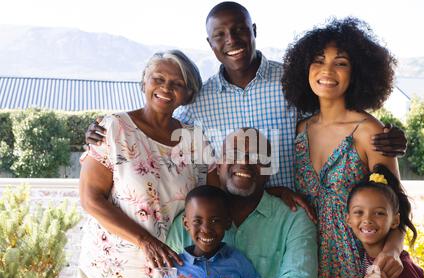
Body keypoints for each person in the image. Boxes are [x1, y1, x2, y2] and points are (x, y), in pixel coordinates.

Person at [84, 2, 407, 220]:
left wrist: (388, 134)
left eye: (238, 30)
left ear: (253, 30)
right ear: (210, 43)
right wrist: (102, 133)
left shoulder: (293, 81)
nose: (231, 40)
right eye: (220, 35)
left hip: (293, 218)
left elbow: (337, 114)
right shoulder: (198, 101)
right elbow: (161, 137)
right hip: (231, 222)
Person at [77, 50, 217, 278]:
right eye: (158, 79)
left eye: (177, 84)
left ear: (188, 95)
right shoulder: (113, 128)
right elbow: (91, 199)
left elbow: (214, 198)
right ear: (144, 82)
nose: (165, 88)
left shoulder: (195, 139)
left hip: (169, 277)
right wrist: (145, 241)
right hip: (111, 275)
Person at [282, 17, 405, 278]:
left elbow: (399, 207)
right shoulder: (300, 130)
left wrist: (391, 252)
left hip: (359, 267)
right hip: (306, 265)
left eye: (341, 62)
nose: (327, 70)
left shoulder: (368, 132)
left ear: (357, 72)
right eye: (318, 60)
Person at [166, 128, 318, 278]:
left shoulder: (294, 218)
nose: (244, 161)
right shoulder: (184, 222)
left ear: (269, 171)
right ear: (218, 166)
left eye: (257, 157)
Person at [346, 164, 424, 278]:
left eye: (379, 213)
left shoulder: (401, 267)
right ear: (348, 219)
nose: (367, 219)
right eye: (359, 212)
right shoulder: (362, 259)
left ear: (395, 221)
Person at [175, 185, 260, 278]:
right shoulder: (174, 267)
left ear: (228, 222)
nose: (206, 229)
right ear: (186, 224)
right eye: (197, 221)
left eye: (215, 220)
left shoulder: (239, 261)